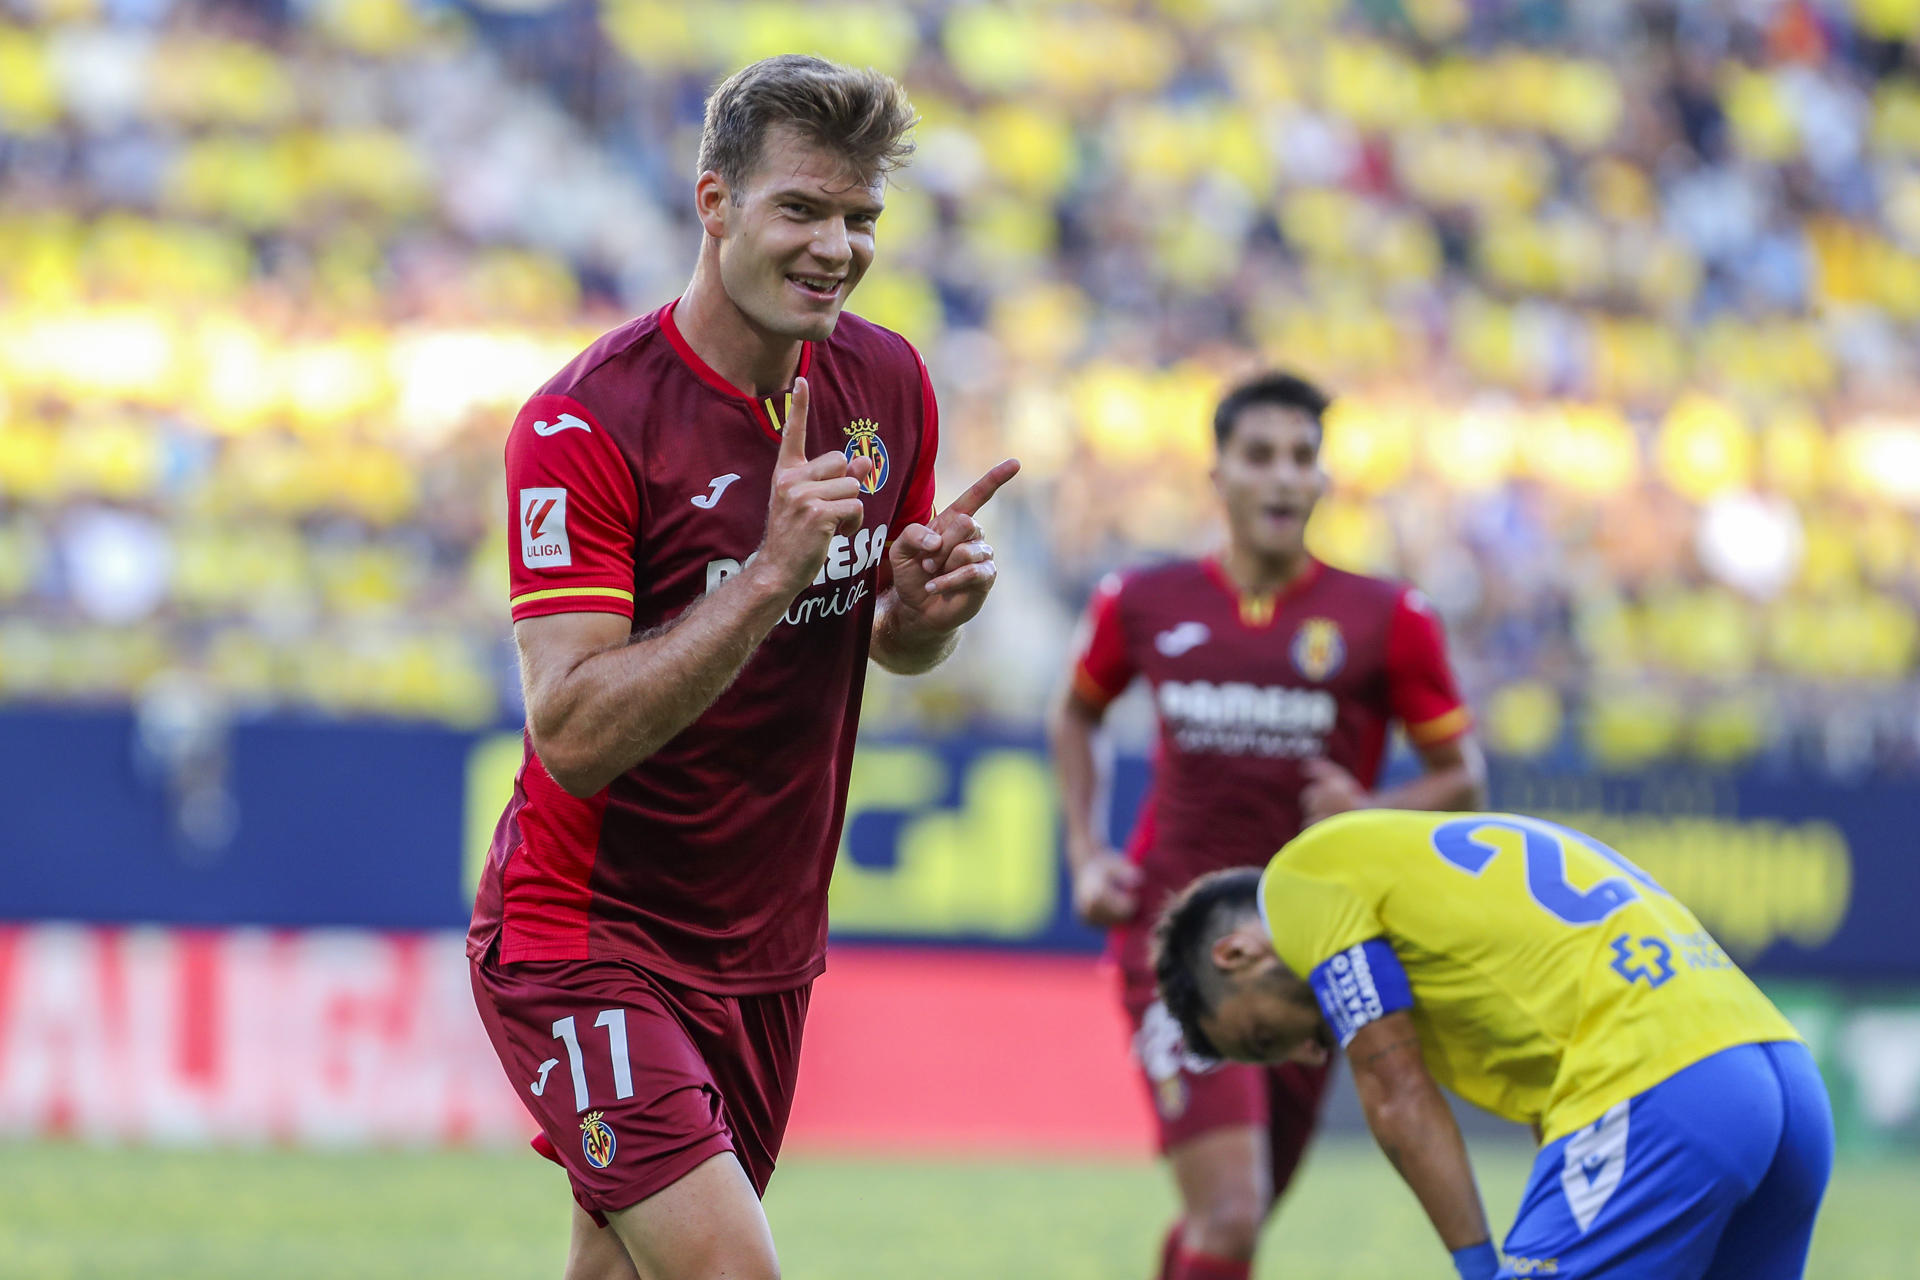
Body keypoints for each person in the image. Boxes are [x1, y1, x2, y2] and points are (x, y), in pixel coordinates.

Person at [465, 55, 1019, 1280]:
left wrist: (926, 611)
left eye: (861, 218)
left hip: (764, 946)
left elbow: (895, 639)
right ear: (714, 203)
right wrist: (767, 573)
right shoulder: (582, 427)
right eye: (803, 209)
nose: (838, 247)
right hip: (585, 932)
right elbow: (571, 729)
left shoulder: (886, 383)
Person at [1048, 371, 1486, 1280]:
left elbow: (1462, 780)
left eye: (1302, 458)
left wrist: (1369, 813)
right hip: (1177, 937)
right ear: (1220, 477)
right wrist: (1086, 852)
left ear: (1323, 481)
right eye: (1260, 457)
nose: (1283, 477)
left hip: (1313, 948)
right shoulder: (1143, 600)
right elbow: (1077, 713)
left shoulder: (1387, 618)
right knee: (1233, 1213)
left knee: (1237, 1221)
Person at [1153, 809, 1833, 1280]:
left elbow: (1395, 1093)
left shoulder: (1298, 882)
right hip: (1783, 1080)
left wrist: (1481, 1267)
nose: (1308, 1052)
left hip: (1660, 1078)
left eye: (1269, 1035)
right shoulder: (1422, 893)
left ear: (1236, 953)